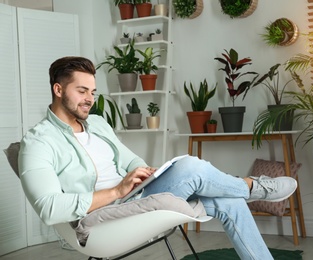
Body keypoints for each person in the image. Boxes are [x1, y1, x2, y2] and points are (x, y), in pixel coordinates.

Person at [19, 56, 297, 260]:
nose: (89, 99)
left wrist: (146, 173)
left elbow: (130, 161)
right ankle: (252, 187)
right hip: (104, 216)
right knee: (190, 166)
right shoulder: (38, 142)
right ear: (58, 90)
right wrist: (116, 190)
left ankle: (243, 191)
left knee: (225, 198)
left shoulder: (98, 124)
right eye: (81, 91)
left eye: (92, 92)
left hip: (134, 196)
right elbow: (49, 208)